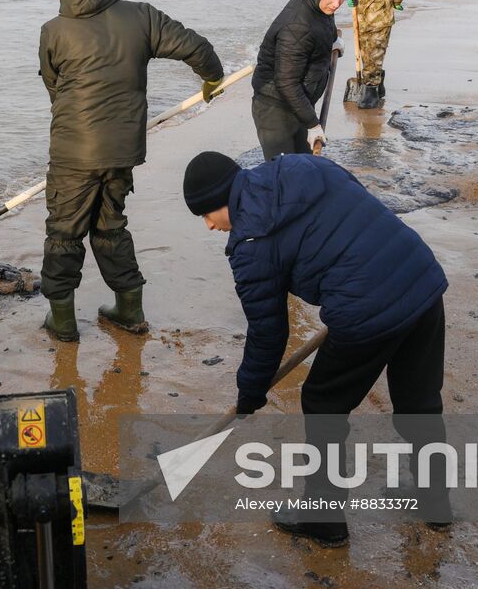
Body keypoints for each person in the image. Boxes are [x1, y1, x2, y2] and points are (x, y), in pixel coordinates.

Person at [182, 150, 450, 546]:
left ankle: (324, 520)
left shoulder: (251, 244)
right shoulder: (303, 166)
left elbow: (267, 332)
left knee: (323, 403)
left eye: (207, 213)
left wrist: (249, 393)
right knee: (419, 400)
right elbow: (355, 210)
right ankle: (436, 504)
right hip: (420, 276)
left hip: (365, 309)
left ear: (226, 198)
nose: (208, 225)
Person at [37, 0, 224, 341]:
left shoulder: (54, 30)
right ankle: (129, 308)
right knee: (110, 226)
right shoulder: (141, 16)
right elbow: (197, 47)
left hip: (73, 153)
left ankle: (63, 320)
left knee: (64, 233)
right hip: (123, 151)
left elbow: (54, 88)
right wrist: (212, 78)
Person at [252, 0, 353, 159]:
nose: (336, 4)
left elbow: (325, 23)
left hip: (299, 104)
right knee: (284, 173)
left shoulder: (317, 1)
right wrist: (313, 124)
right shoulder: (297, 27)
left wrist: (332, 40)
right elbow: (287, 83)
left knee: (303, 165)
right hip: (276, 108)